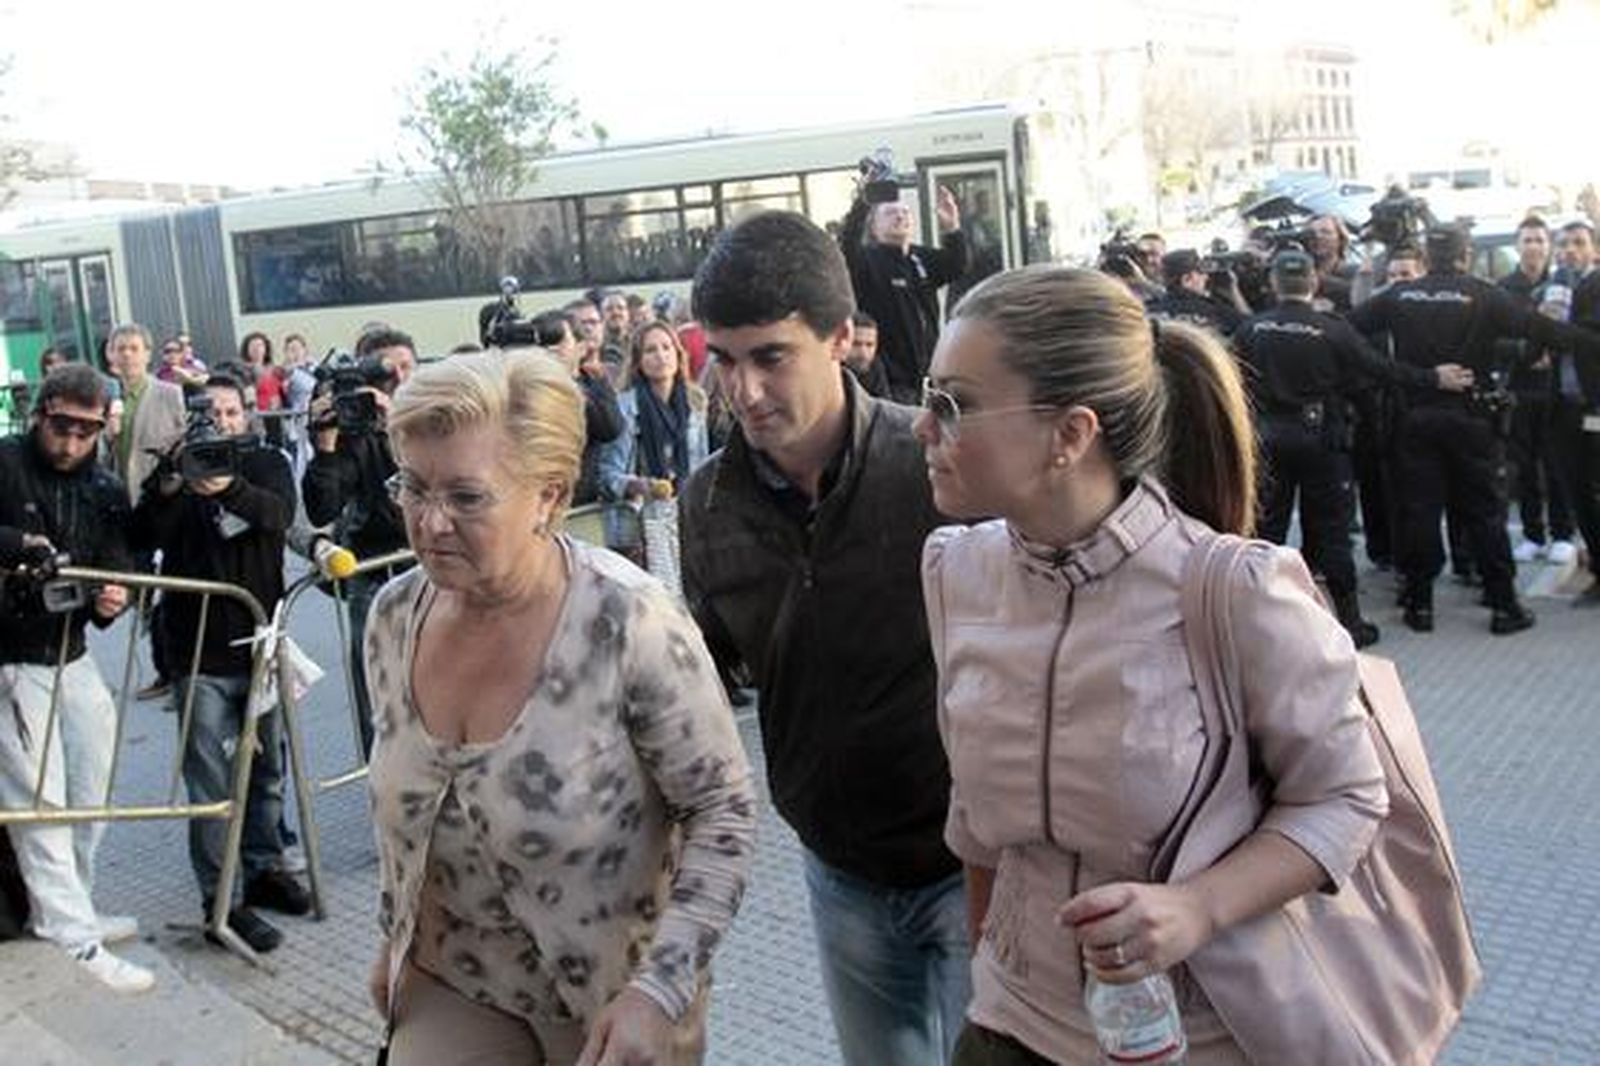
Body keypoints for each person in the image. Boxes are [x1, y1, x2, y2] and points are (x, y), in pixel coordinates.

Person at [916, 266, 1389, 1064]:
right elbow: (976, 825)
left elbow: (1346, 797)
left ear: (1071, 435)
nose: (923, 428)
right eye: (928, 395)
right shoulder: (952, 571)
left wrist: (1196, 909)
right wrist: (988, 978)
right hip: (1005, 1030)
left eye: (953, 404)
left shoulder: (1235, 589)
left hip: (1195, 1039)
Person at [364, 348, 755, 1064]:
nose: (430, 522)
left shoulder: (630, 620)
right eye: (413, 488)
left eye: (466, 496)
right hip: (455, 984)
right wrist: (392, 940)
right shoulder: (393, 618)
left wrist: (658, 992)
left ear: (548, 494)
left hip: (613, 1009)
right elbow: (405, 814)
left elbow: (722, 811)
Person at [681, 211, 970, 1066]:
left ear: (843, 336)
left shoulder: (937, 467)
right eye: (723, 358)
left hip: (974, 868)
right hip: (836, 872)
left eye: (770, 355)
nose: (743, 389)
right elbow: (701, 679)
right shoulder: (706, 505)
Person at [130, 372, 310, 955]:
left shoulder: (266, 462)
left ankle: (266, 867)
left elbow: (278, 515)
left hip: (260, 643)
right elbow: (140, 534)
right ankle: (221, 898)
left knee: (267, 770)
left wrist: (225, 486)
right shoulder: (176, 474)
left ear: (247, 416)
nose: (221, 422)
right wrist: (170, 482)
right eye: (208, 413)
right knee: (210, 783)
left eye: (230, 412)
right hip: (196, 651)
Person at [1347, 224, 1600, 634]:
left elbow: (1346, 336)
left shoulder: (1398, 296)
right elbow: (1542, 330)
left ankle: (1419, 604)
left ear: (1427, 258)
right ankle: (1503, 606)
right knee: (1484, 512)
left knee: (1419, 511)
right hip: (1471, 419)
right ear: (1465, 256)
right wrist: (1587, 341)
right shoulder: (1483, 294)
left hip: (1417, 418)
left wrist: (1416, 376)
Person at [0, 364, 153, 993]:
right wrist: (17, 544)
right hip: (11, 657)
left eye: (84, 431)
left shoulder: (105, 486)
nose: (70, 442)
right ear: (40, 415)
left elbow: (117, 556)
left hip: (72, 652)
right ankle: (69, 930)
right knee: (39, 802)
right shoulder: (5, 463)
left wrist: (111, 597)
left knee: (91, 784)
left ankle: (73, 907)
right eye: (60, 426)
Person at [1234, 249, 1473, 647]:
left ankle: (1254, 620)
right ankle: (1349, 622)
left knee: (1266, 529)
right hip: (1321, 442)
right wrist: (1432, 378)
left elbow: (1231, 376)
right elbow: (1382, 370)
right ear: (1314, 282)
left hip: (1269, 439)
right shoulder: (1332, 328)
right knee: (1331, 532)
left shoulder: (1252, 328)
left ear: (1274, 284)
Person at [301, 327, 416, 756]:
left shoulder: (435, 417)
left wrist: (397, 427)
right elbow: (322, 507)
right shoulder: (355, 432)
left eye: (406, 368)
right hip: (376, 578)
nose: (399, 381)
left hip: (439, 571)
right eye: (387, 374)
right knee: (381, 697)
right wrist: (326, 447)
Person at [840, 185, 969, 403]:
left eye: (905, 212)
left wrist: (951, 227)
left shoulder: (920, 258)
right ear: (873, 225)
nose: (900, 217)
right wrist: (863, 201)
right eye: (891, 213)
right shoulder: (866, 261)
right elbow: (847, 244)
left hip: (927, 373)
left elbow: (957, 265)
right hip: (890, 380)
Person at [1497, 217, 1575, 564]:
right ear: (1518, 245)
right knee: (1523, 466)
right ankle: (1532, 534)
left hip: (1557, 390)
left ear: (1549, 246)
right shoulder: (1503, 289)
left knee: (1558, 463)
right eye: (1527, 240)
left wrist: (1552, 351)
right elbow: (1493, 339)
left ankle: (1562, 533)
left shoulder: (1565, 283)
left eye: (1540, 240)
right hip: (1520, 388)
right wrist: (1524, 351)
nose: (1533, 246)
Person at [599, 322, 709, 503]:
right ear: (638, 361)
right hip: (638, 513)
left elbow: (702, 465)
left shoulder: (695, 401)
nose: (661, 356)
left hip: (686, 506)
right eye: (650, 350)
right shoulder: (624, 407)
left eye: (667, 347)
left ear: (677, 353)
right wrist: (638, 485)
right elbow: (608, 475)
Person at [529, 309, 624, 507]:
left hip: (583, 501)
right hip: (536, 501)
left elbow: (610, 429)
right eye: (543, 345)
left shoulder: (594, 382)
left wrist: (570, 384)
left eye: (558, 343)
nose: (550, 351)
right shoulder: (525, 390)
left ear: (581, 348)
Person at [105, 323, 186, 504]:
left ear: (147, 355)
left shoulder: (171, 394)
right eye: (121, 349)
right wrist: (107, 436)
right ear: (111, 355)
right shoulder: (105, 397)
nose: (127, 354)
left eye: (134, 348)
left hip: (161, 497)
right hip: (119, 499)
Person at [1146, 251, 1244, 336]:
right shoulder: (1215, 310)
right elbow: (1249, 327)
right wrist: (1233, 290)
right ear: (1186, 279)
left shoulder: (1147, 309)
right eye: (1201, 273)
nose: (1206, 277)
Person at [843, 311, 890, 398]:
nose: (863, 353)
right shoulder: (832, 370)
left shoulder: (876, 366)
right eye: (856, 344)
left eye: (869, 345)